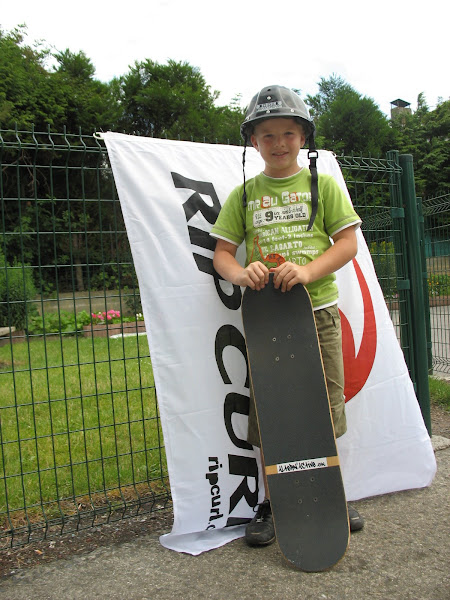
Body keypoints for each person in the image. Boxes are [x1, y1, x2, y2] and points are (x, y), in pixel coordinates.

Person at [210, 85, 364, 546]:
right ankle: (275, 502)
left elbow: (348, 243)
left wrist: (308, 270)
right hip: (267, 324)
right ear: (253, 143)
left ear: (303, 138)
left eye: (289, 134)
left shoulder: (324, 186)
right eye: (268, 135)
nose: (279, 144)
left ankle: (328, 493)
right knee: (274, 412)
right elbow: (222, 254)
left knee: (323, 407)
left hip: (317, 313)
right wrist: (242, 272)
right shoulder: (243, 195)